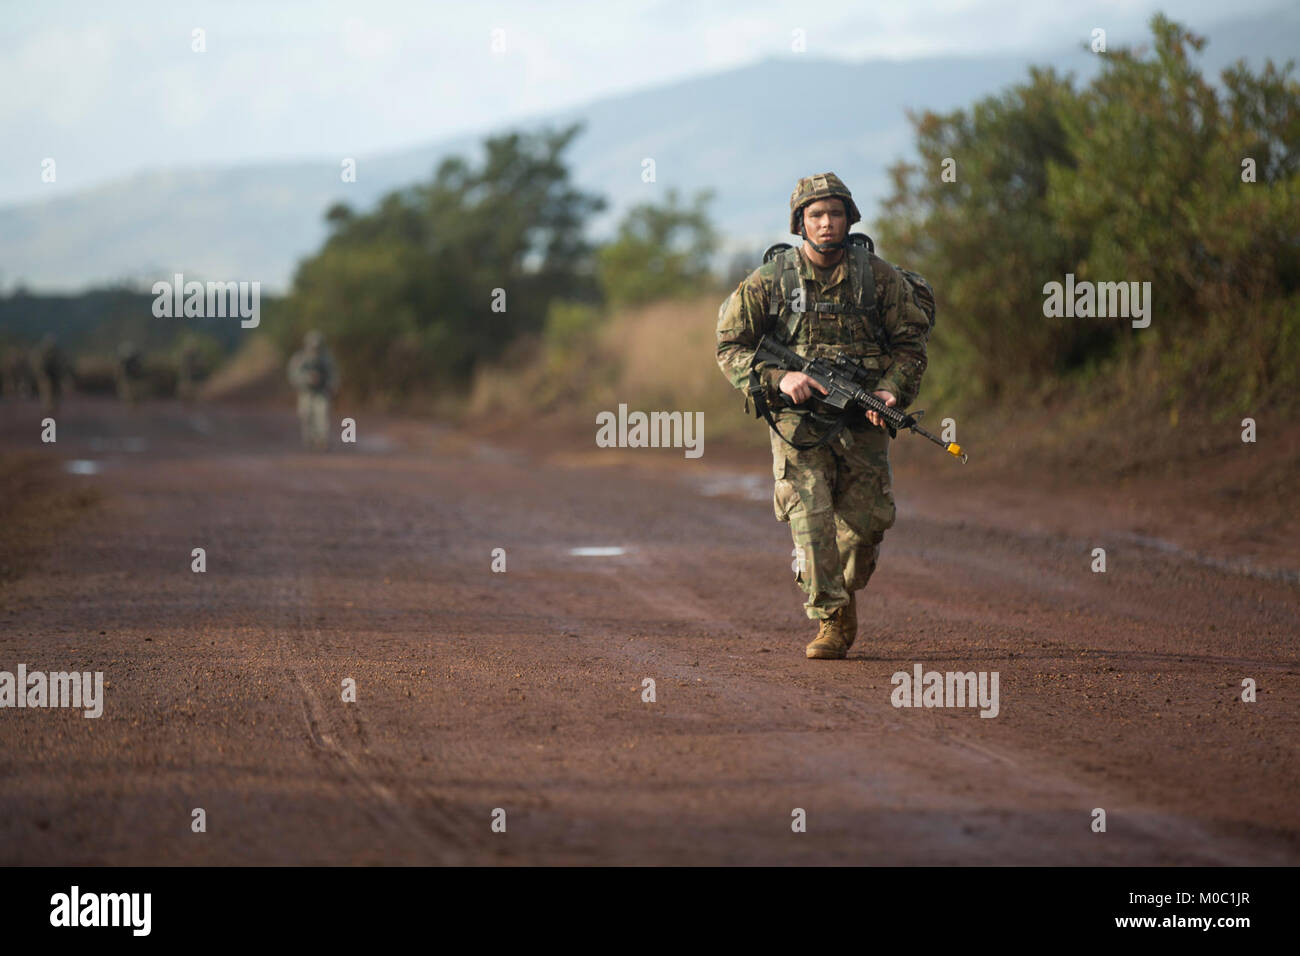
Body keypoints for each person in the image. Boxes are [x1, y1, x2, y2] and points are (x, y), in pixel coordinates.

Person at [716, 173, 931, 660]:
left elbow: (911, 343)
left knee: (866, 527)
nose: (826, 223)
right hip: (798, 422)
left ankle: (840, 589)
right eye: (816, 215)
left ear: (849, 218)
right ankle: (830, 617)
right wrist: (778, 378)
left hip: (861, 418)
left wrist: (891, 390)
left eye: (835, 213)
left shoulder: (878, 277)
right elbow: (729, 346)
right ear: (800, 223)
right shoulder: (771, 280)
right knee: (809, 516)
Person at [286, 330, 339, 450]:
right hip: (306, 392)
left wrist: (331, 386)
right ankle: (309, 439)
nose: (315, 348)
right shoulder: (300, 358)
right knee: (306, 415)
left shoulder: (326, 359)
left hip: (321, 392)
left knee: (322, 415)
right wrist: (306, 379)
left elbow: (333, 374)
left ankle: (322, 439)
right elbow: (293, 375)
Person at [31, 334, 67, 416]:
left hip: (54, 375)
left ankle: (52, 407)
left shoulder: (56, 352)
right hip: (46, 375)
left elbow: (61, 363)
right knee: (47, 391)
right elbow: (38, 364)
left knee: (54, 392)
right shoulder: (42, 353)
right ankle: (48, 408)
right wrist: (41, 373)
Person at [116, 340, 143, 407]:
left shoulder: (130, 360)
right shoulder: (126, 361)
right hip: (129, 377)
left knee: (131, 390)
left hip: (132, 377)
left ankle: (133, 403)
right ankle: (132, 403)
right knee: (129, 390)